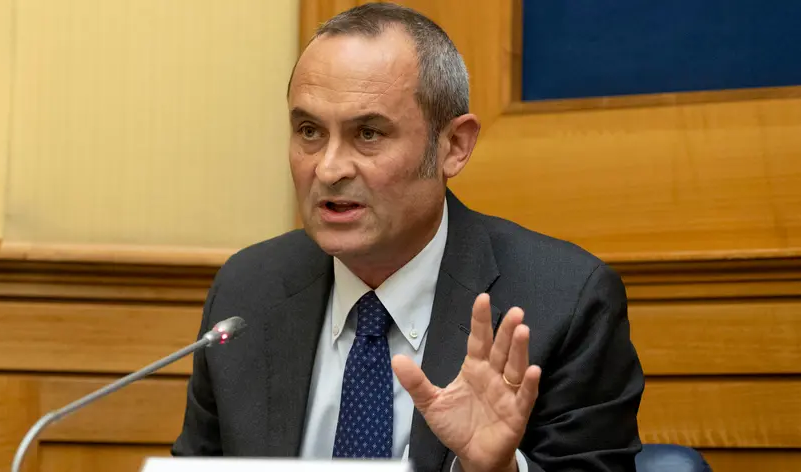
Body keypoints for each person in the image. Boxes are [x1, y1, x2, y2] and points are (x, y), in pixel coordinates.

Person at [171, 3, 644, 471]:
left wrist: (496, 470)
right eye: (309, 131)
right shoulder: (248, 292)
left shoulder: (563, 303)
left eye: (368, 134)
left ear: (454, 146)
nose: (329, 169)